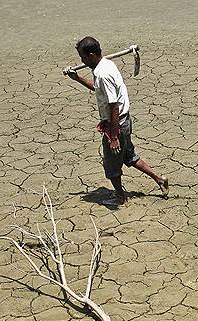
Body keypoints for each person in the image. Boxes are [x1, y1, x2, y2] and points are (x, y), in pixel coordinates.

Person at [66, 36, 167, 206]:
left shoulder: (104, 73)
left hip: (117, 123)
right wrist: (77, 78)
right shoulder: (104, 65)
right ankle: (159, 179)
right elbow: (97, 88)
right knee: (129, 156)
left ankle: (120, 197)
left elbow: (114, 106)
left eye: (83, 57)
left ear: (91, 55)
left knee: (111, 164)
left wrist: (113, 137)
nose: (81, 61)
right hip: (123, 120)